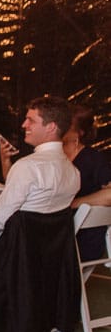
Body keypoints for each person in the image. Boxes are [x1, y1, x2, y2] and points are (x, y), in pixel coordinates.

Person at [0, 95, 79, 247]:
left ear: (51, 127)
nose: (24, 125)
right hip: (51, 260)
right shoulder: (74, 173)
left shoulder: (27, 167)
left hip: (15, 258)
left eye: (31, 120)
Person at [64, 105, 111, 261]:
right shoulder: (53, 156)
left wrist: (74, 203)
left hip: (80, 239)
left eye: (65, 124)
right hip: (60, 233)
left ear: (80, 133)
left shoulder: (93, 159)